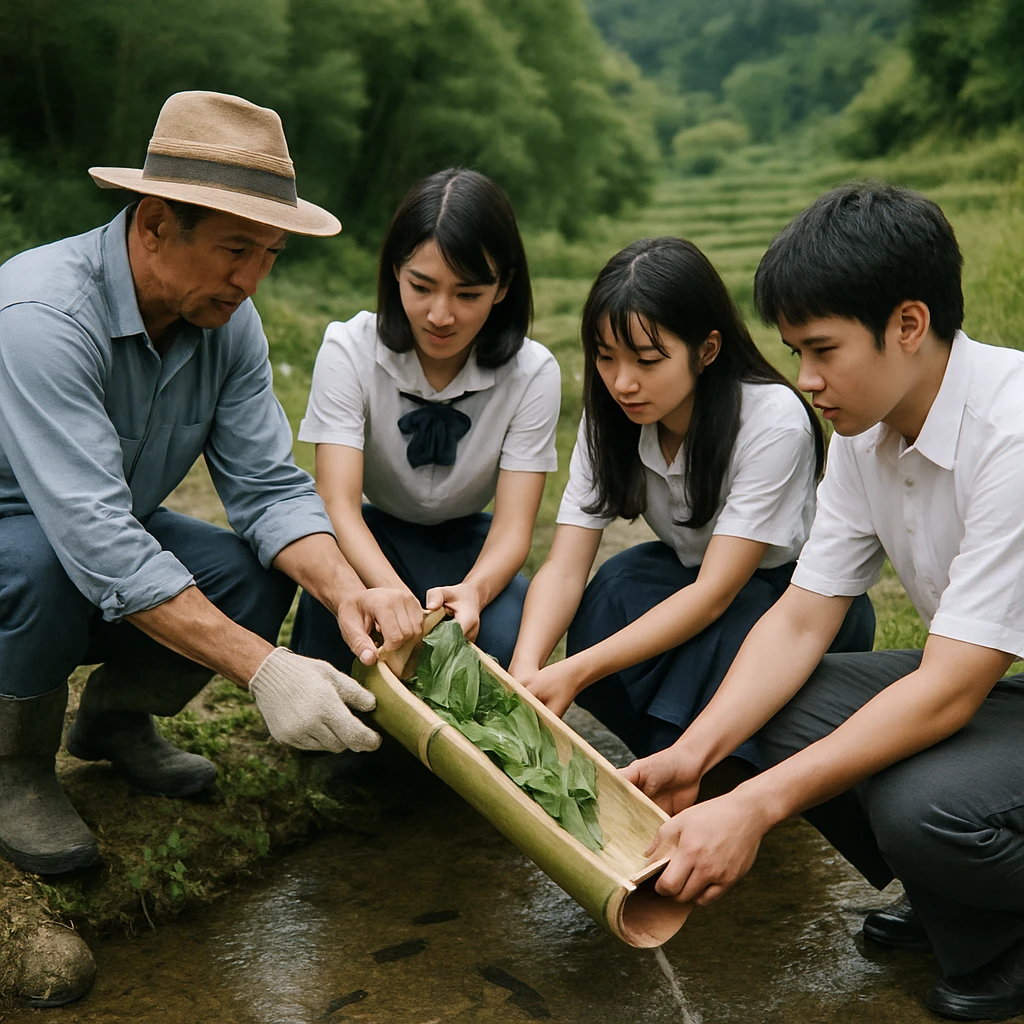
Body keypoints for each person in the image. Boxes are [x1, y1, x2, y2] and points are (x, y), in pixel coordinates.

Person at [625, 184, 1024, 1021]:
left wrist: (754, 806)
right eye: (793, 351)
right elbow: (803, 617)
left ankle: (996, 922)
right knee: (774, 709)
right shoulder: (866, 425)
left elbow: (952, 686)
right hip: (1001, 688)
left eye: (822, 350)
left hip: (983, 682)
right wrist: (695, 758)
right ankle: (958, 892)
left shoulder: (1013, 433)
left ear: (908, 325)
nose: (804, 379)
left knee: (929, 808)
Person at [0, 90, 422, 881]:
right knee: (44, 563)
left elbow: (266, 487)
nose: (252, 280)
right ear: (155, 223)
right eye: (236, 249)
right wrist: (263, 669)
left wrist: (347, 591)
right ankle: (15, 767)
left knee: (250, 569)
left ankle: (116, 724)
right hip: (22, 551)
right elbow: (93, 537)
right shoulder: (42, 314)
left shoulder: (224, 321)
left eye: (270, 254)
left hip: (101, 543)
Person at [508, 237, 874, 770]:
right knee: (614, 589)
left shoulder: (771, 423)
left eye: (647, 360)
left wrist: (577, 670)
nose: (622, 382)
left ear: (707, 350)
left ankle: (702, 763)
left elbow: (714, 595)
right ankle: (663, 755)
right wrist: (526, 668)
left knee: (733, 625)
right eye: (606, 358)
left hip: (788, 600)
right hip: (693, 580)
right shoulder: (611, 416)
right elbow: (564, 565)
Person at [290, 168, 560, 671]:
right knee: (346, 673)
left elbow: (513, 528)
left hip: (471, 555)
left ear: (502, 289)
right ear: (396, 271)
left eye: (468, 294)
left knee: (495, 652)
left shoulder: (533, 372)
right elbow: (338, 503)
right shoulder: (348, 349)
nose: (441, 314)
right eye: (423, 286)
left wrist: (475, 592)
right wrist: (392, 597)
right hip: (370, 543)